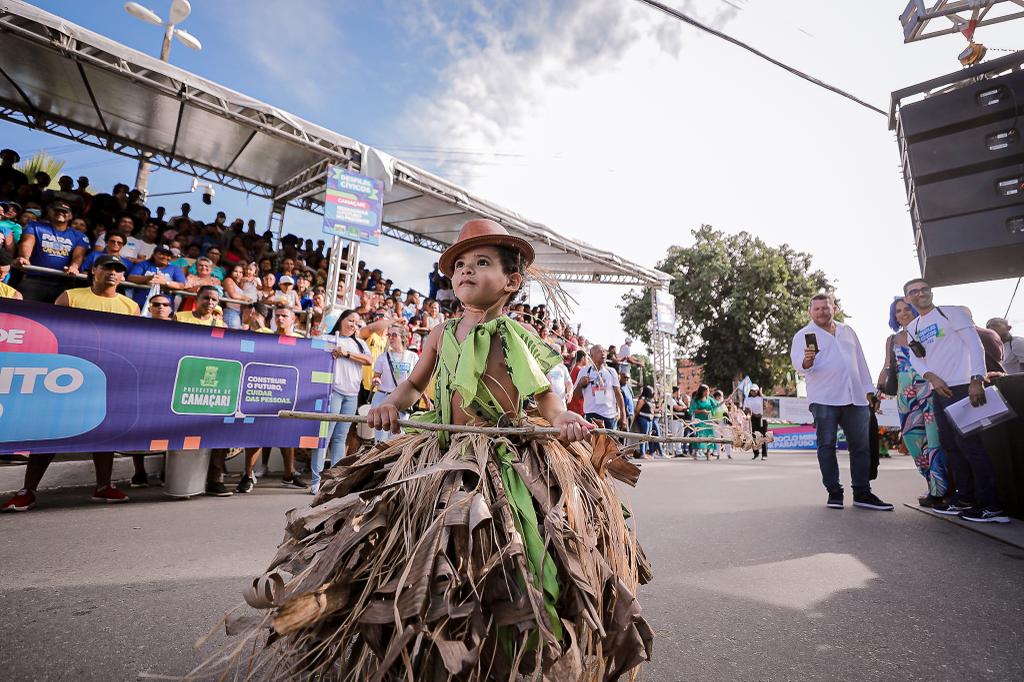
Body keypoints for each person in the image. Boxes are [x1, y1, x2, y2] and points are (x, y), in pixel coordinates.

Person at [245, 218, 657, 680]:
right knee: (402, 539)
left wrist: (561, 419)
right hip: (440, 450)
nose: (466, 270)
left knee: (517, 545)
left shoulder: (513, 335)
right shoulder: (441, 333)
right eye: (460, 264)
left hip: (500, 452)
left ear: (511, 282)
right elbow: (413, 384)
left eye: (481, 262)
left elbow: (544, 396)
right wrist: (388, 404)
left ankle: (520, 640)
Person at [2, 255, 136, 512]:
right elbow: (56, 332)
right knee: (52, 430)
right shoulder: (70, 296)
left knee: (104, 431)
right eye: (107, 267)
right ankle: (28, 490)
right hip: (70, 372)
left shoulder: (130, 305)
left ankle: (103, 486)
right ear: (94, 270)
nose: (112, 272)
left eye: (118, 270)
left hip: (107, 376)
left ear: (122, 276)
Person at [903, 279, 1007, 523]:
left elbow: (975, 344)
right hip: (940, 391)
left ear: (931, 292)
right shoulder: (913, 327)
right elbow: (916, 358)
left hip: (964, 387)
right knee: (951, 446)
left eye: (924, 289)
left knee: (971, 445)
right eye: (914, 291)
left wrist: (976, 378)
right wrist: (931, 377)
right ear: (907, 298)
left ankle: (990, 505)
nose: (920, 294)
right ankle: (965, 498)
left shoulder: (951, 313)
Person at [791, 293, 893, 511]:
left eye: (825, 307)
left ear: (834, 309)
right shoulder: (804, 335)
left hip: (855, 397)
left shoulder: (847, 331)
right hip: (824, 398)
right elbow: (798, 365)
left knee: (861, 446)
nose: (821, 312)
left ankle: (862, 492)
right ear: (809, 312)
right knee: (827, 445)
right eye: (817, 309)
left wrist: (869, 391)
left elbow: (860, 362)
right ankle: (834, 491)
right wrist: (807, 361)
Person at [235, 307, 310, 493]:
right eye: (277, 316)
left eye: (284, 316)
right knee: (256, 434)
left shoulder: (302, 341)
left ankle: (288, 475)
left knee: (287, 435)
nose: (280, 318)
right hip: (265, 391)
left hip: (290, 393)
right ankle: (248, 475)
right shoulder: (265, 336)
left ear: (293, 319)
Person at [882, 297, 947, 506]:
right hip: (905, 396)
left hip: (929, 389)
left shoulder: (927, 332)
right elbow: (888, 366)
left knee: (934, 441)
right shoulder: (892, 340)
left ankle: (940, 491)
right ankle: (932, 484)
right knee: (913, 441)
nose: (903, 313)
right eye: (898, 311)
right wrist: (877, 391)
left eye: (906, 309)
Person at [310, 309, 374, 494]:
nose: (353, 324)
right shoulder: (328, 338)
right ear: (341, 320)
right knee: (325, 436)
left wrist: (346, 354)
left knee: (340, 438)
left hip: (351, 395)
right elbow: (313, 349)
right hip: (333, 392)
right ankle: (316, 480)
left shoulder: (360, 343)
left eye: (356, 322)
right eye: (350, 320)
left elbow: (369, 360)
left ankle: (335, 479)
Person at [14, 201, 90, 302]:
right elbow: (27, 243)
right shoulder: (35, 226)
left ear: (70, 216)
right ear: (49, 212)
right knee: (22, 307)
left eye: (65, 212)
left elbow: (79, 255)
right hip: (35, 278)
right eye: (57, 210)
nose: (61, 213)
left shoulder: (79, 236)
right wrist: (24, 258)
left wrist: (74, 266)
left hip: (63, 281)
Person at [368, 325, 419, 442]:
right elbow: (376, 376)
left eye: (394, 335)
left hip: (402, 400)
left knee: (398, 438)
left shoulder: (412, 357)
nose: (391, 338)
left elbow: (418, 380)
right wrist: (376, 380)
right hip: (383, 397)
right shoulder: (383, 357)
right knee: (381, 438)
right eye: (389, 335)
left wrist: (425, 399)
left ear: (403, 337)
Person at [572, 344, 628, 429]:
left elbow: (618, 394)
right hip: (591, 415)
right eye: (599, 352)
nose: (603, 353)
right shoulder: (584, 371)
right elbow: (576, 395)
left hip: (610, 417)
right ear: (591, 356)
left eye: (604, 351)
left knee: (610, 438)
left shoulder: (611, 371)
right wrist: (580, 384)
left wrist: (623, 416)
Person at [689, 385, 718, 460]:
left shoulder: (709, 399)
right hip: (699, 420)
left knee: (709, 436)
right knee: (699, 435)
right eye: (707, 391)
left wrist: (725, 401)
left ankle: (708, 454)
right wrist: (702, 411)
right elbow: (692, 410)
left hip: (708, 420)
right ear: (702, 391)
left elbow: (716, 405)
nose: (708, 392)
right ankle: (695, 452)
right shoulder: (695, 400)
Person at [745, 384, 768, 460]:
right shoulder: (747, 399)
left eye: (754, 390)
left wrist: (762, 395)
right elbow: (746, 409)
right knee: (754, 436)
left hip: (762, 418)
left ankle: (764, 454)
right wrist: (752, 413)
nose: (753, 392)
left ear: (757, 391)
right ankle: (756, 453)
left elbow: (766, 405)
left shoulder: (761, 398)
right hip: (753, 418)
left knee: (763, 436)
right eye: (751, 390)